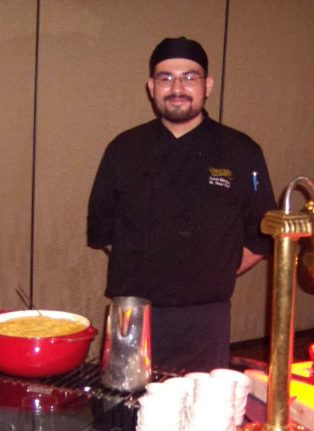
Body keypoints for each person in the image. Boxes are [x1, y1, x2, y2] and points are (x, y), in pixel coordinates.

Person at [87, 36, 276, 372]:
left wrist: (208, 272)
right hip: (133, 312)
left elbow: (260, 237)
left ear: (208, 85)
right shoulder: (123, 148)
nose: (178, 87)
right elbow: (104, 230)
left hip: (206, 317)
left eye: (190, 77)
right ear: (151, 87)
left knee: (197, 413)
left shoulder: (241, 150)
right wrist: (151, 265)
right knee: (122, 412)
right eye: (165, 78)